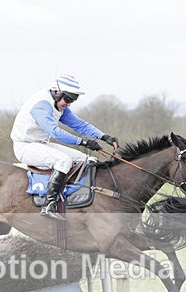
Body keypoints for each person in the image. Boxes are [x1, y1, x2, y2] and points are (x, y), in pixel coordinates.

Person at [11, 74, 119, 220]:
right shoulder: (41, 105)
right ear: (57, 92)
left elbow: (79, 125)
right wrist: (84, 142)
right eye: (67, 99)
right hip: (25, 146)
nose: (68, 104)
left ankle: (77, 198)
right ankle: (48, 205)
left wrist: (103, 136)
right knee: (64, 161)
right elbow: (55, 132)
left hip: (41, 144)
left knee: (87, 159)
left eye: (72, 100)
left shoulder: (59, 105)